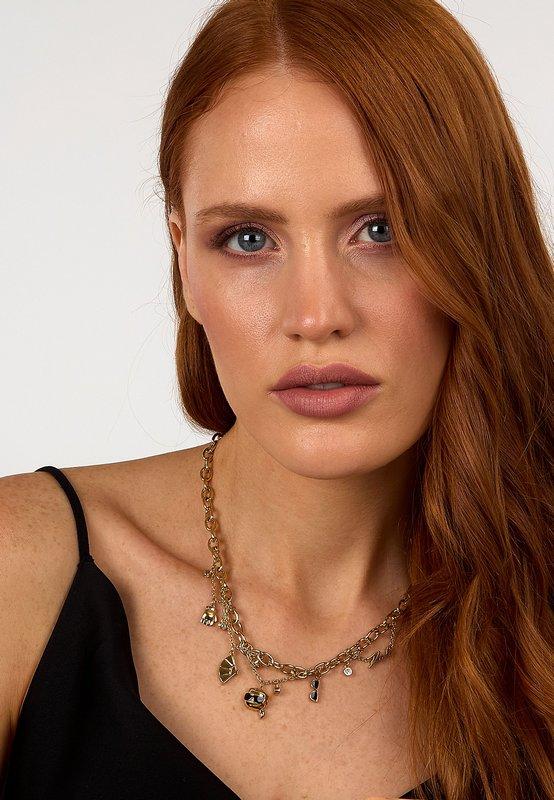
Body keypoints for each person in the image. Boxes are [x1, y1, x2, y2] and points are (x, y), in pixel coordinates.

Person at [1, 0, 552, 798]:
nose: (316, 316)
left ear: (479, 243)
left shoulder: (536, 613)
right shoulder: (20, 574)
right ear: (184, 258)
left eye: (382, 229)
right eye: (249, 240)